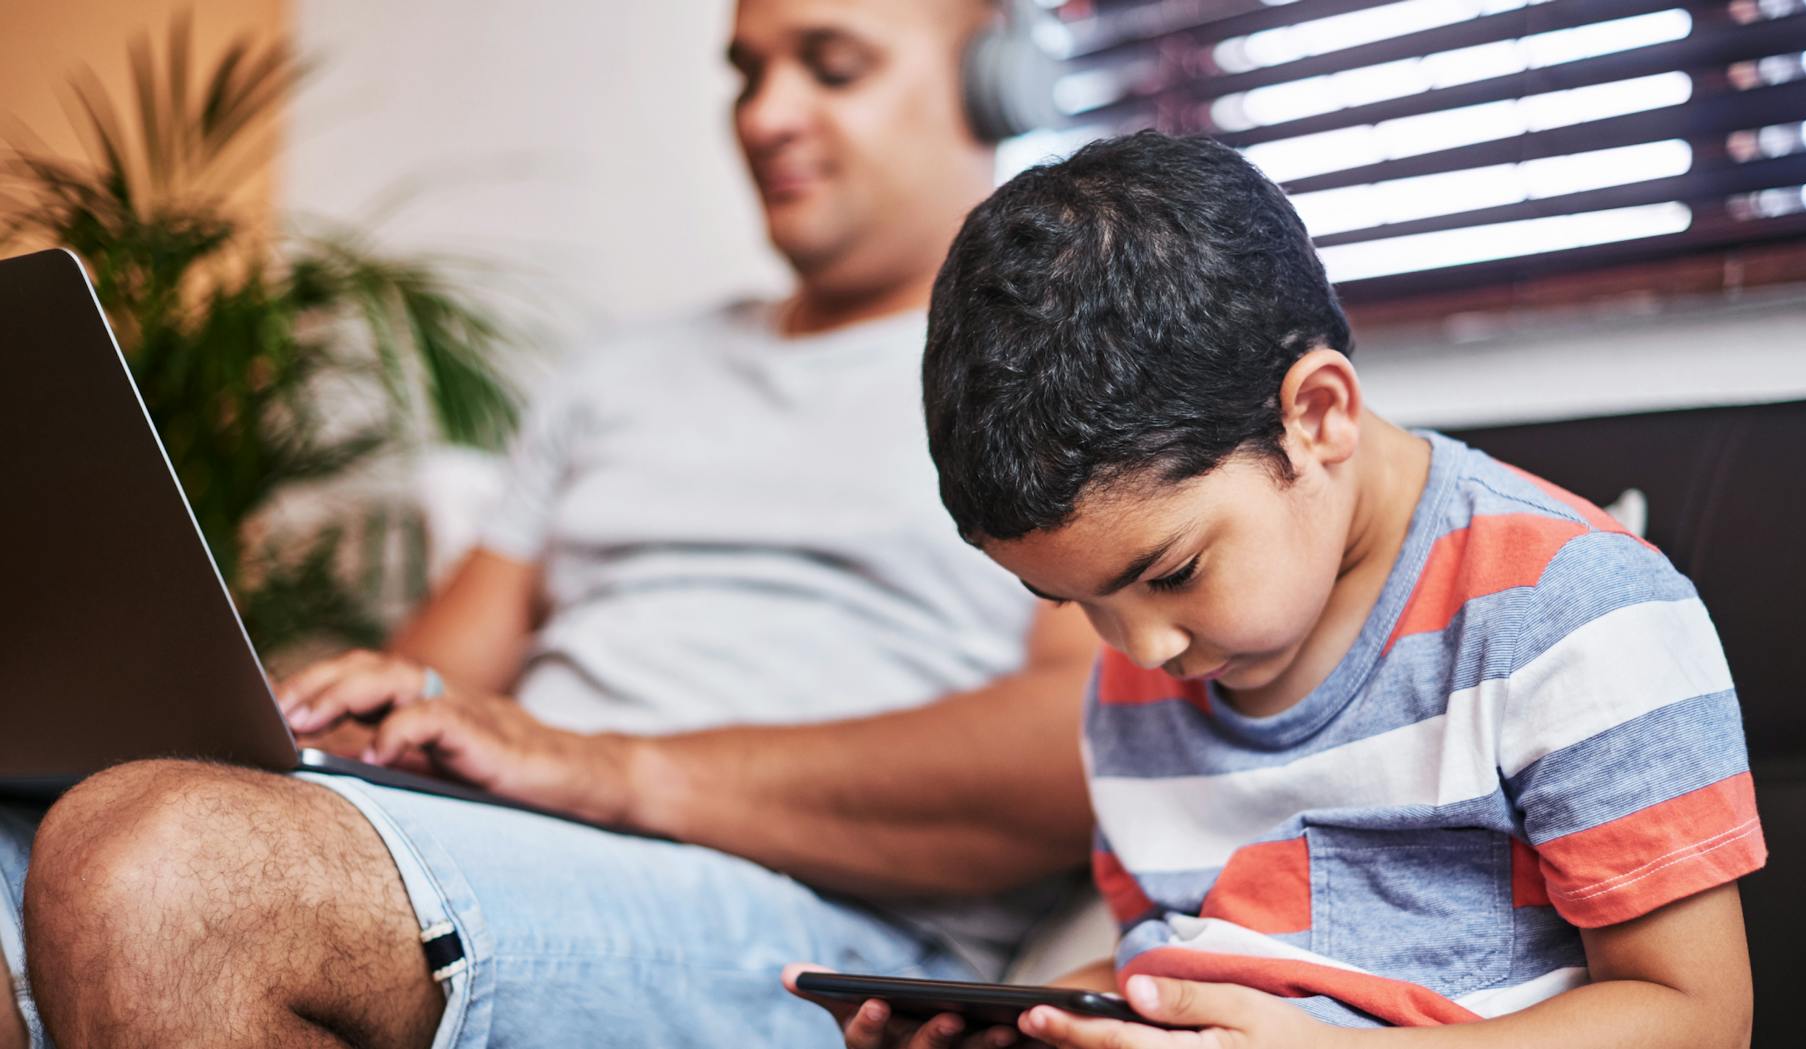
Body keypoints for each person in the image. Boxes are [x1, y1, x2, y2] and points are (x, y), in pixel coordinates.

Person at [0, 2, 1102, 1047]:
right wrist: (318, 712)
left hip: (820, 910)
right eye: (746, 71)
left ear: (994, 79)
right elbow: (427, 682)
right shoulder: (623, 372)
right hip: (527, 842)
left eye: (832, 65)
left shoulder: (1053, 381)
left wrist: (607, 766)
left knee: (168, 867)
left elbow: (1071, 751)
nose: (765, 115)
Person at [796, 131, 1765, 1047]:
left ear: (1316, 414)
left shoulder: (1571, 609)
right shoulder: (1144, 666)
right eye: (1076, 602)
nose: (1140, 650)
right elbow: (1179, 955)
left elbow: (1698, 1013)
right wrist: (1040, 1022)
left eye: (1170, 573)